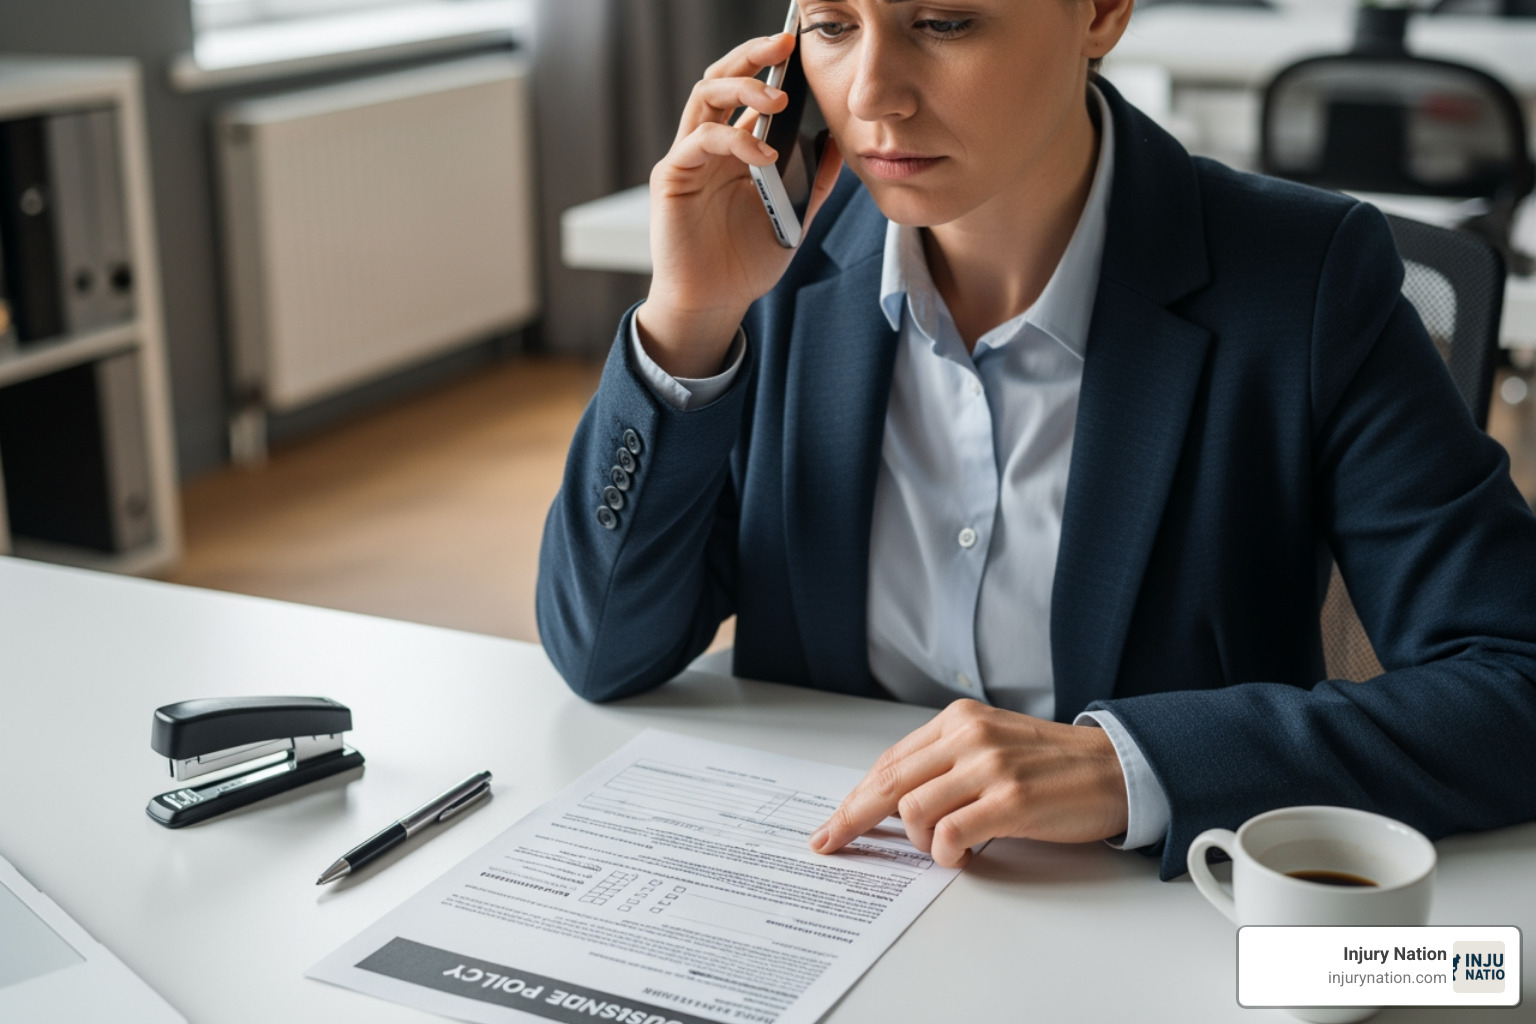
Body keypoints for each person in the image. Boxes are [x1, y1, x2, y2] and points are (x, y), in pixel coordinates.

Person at [536, 0, 1536, 881]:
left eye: (945, 23)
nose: (875, 94)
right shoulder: (773, 265)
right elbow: (602, 648)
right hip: (833, 887)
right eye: (834, 27)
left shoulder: (1305, 280)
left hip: (1136, 923)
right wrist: (688, 318)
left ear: (1099, 12)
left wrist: (1128, 765)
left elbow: (1515, 682)